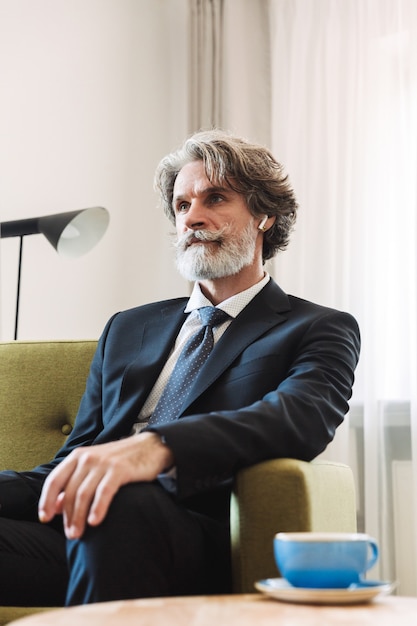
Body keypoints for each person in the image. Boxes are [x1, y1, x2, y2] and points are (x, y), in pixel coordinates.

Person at [0, 130, 360, 607]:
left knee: (124, 504)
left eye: (215, 198)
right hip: (84, 527)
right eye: (182, 205)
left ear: (264, 215)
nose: (193, 217)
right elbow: (79, 455)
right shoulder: (128, 328)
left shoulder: (317, 327)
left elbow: (298, 418)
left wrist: (157, 448)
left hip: (199, 531)